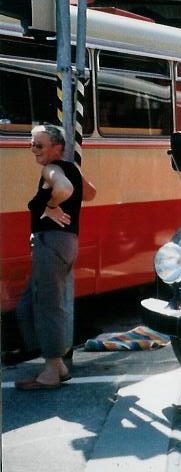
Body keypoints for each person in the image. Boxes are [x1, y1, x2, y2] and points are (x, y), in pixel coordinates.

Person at [15, 124, 96, 390]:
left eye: (39, 145)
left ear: (57, 148)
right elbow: (91, 193)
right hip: (64, 243)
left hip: (52, 243)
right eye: (32, 144)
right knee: (28, 303)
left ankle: (50, 371)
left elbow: (66, 190)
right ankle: (58, 366)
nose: (33, 149)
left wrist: (49, 207)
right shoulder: (69, 168)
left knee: (47, 305)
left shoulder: (51, 169)